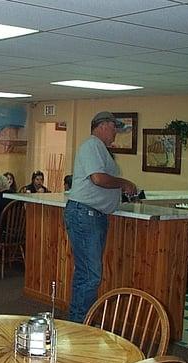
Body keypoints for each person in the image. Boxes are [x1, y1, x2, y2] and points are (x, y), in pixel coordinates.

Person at [64, 111, 137, 323]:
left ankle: (78, 320)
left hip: (91, 215)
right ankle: (82, 323)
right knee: (91, 275)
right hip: (85, 214)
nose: (115, 132)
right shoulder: (92, 145)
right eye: (114, 127)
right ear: (103, 126)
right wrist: (123, 183)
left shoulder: (100, 149)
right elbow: (97, 178)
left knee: (86, 273)